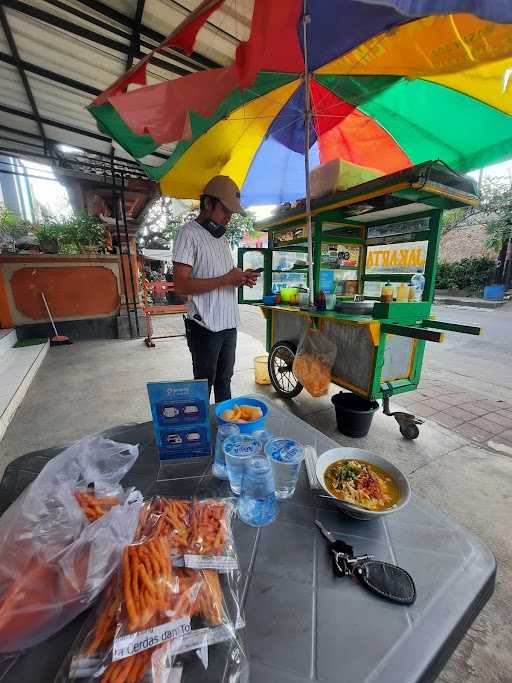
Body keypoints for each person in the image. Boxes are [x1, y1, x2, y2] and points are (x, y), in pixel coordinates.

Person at [172, 176, 259, 402]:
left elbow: (223, 277)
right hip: (205, 326)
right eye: (225, 210)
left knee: (224, 381)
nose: (229, 217)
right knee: (203, 385)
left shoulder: (221, 238)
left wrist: (239, 278)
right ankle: (201, 433)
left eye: (232, 212)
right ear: (207, 203)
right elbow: (181, 285)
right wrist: (225, 279)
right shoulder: (187, 234)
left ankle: (226, 431)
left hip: (228, 323)